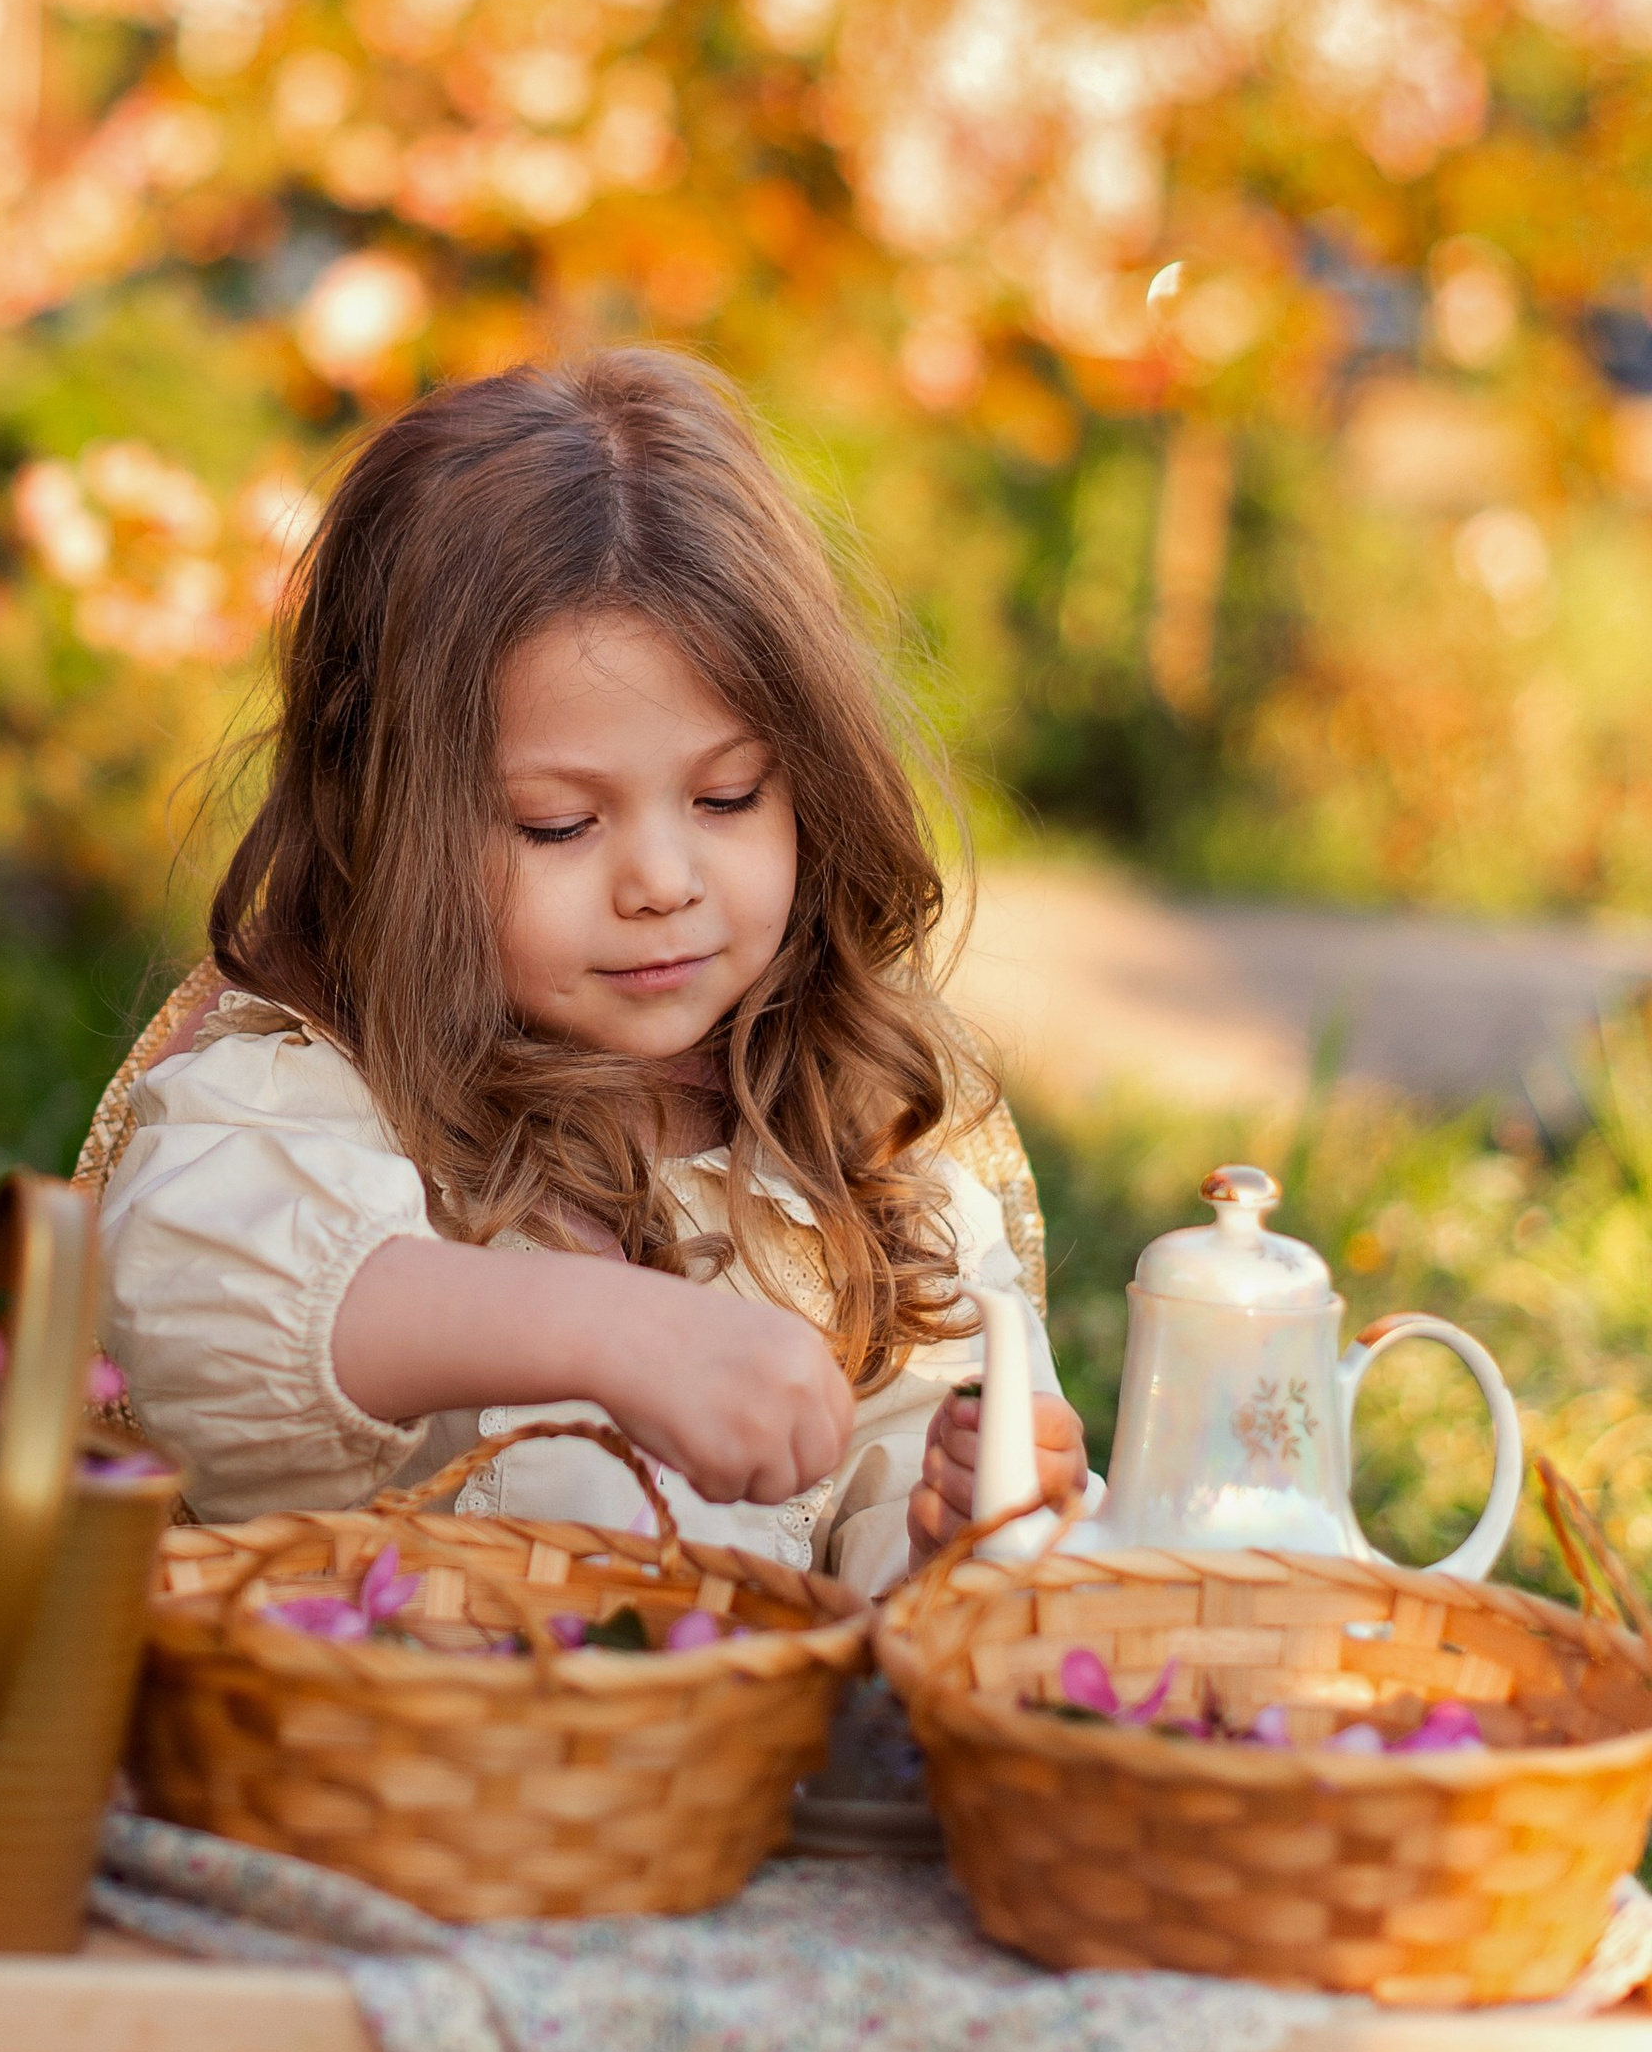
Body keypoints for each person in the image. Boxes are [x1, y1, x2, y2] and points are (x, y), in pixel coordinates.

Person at [87, 353, 1089, 1593]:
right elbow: (195, 1317)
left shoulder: (859, 1159)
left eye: (727, 797)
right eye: (557, 824)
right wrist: (612, 1332)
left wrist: (957, 1531)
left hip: (734, 1780)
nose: (661, 880)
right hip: (388, 1770)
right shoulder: (319, 1099)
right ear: (383, 817)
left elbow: (915, 1549)